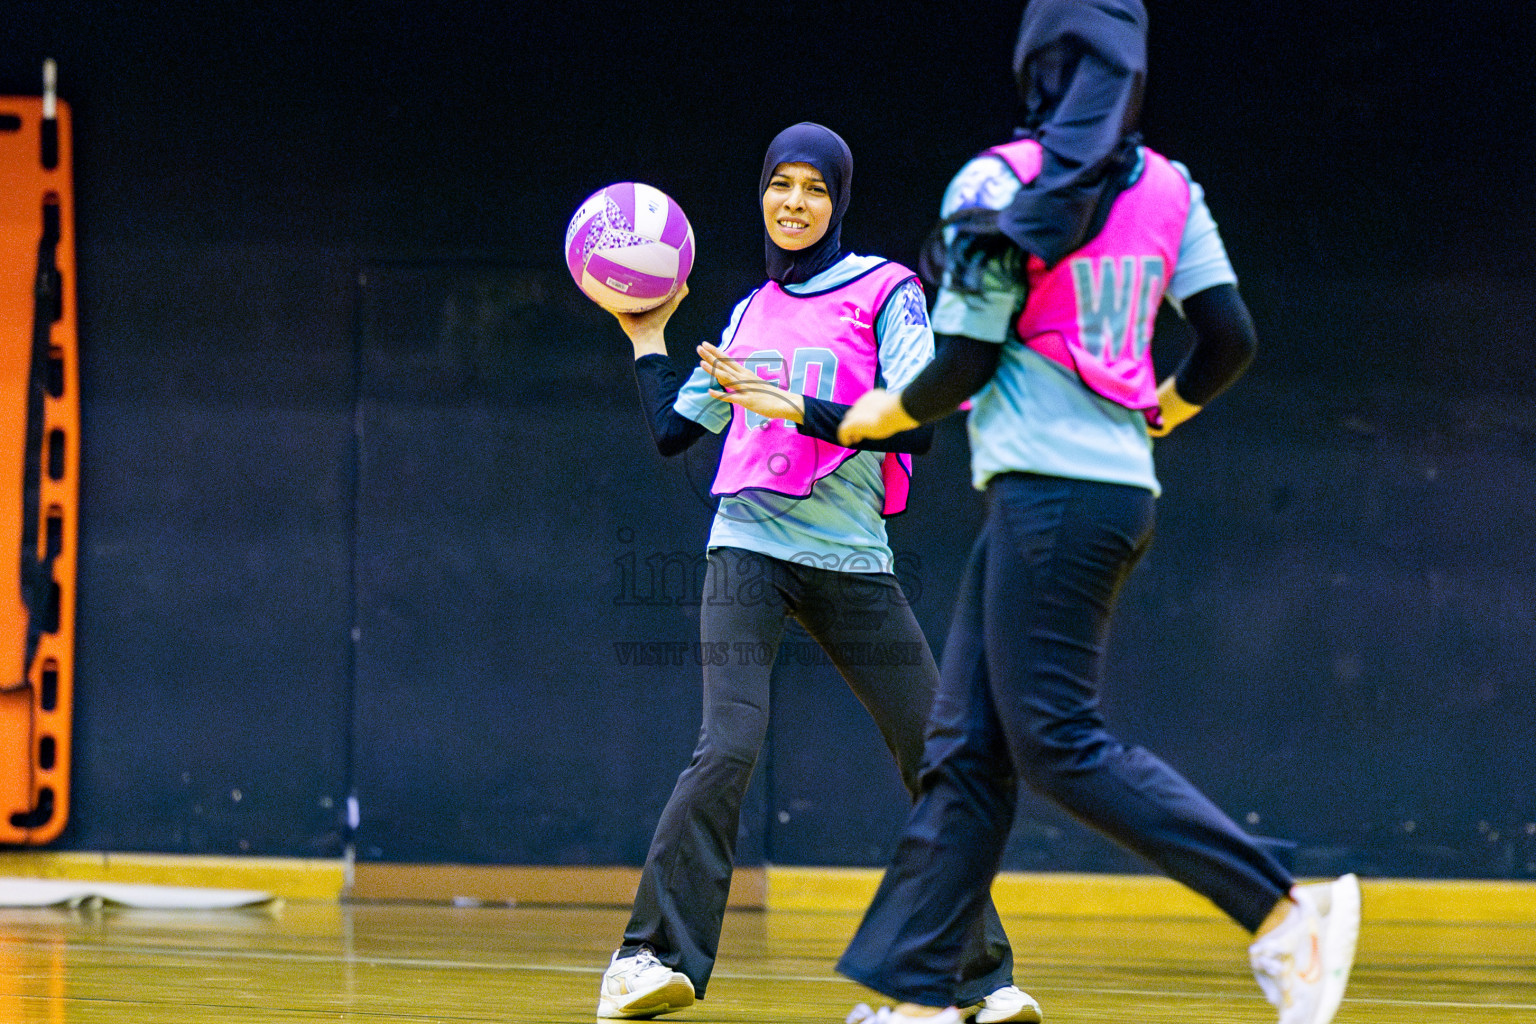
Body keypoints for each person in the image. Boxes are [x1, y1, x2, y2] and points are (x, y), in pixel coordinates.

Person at [830, 5, 1360, 1024]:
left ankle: (1284, 911)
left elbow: (963, 365)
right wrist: (1154, 413)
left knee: (1056, 741)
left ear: (1037, 67)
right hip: (1107, 493)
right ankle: (924, 993)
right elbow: (1229, 338)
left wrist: (872, 416)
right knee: (966, 748)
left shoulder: (997, 184)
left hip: (1045, 497)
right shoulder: (1170, 185)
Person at [594, 122, 1040, 1024]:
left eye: (815, 188)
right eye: (780, 185)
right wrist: (647, 334)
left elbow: (914, 420)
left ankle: (978, 982)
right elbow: (677, 434)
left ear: (838, 202)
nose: (794, 202)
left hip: (850, 562)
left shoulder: (887, 290)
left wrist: (795, 404)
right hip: (749, 549)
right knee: (728, 744)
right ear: (761, 194)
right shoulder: (751, 312)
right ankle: (646, 960)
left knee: (936, 759)